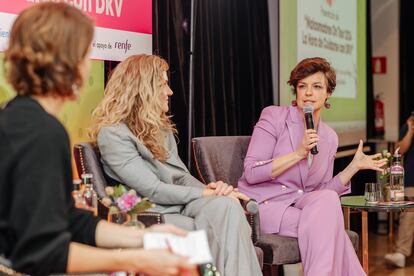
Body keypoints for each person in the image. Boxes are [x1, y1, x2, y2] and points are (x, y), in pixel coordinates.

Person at [0, 3, 194, 276]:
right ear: (67, 62)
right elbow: (42, 254)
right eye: (85, 54)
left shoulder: (20, 117)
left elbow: (68, 218)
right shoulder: (40, 132)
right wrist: (137, 260)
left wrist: (145, 238)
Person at [90, 54, 263, 276]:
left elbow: (179, 176)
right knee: (225, 220)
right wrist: (205, 196)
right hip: (153, 210)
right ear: (142, 88)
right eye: (163, 85)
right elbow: (152, 189)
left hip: (180, 204)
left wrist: (211, 189)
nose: (170, 92)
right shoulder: (113, 134)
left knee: (227, 206)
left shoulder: (160, 128)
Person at [237, 57, 387, 276]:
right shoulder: (274, 117)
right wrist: (298, 154)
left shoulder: (329, 137)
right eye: (302, 86)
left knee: (327, 201)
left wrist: (353, 167)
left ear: (328, 94)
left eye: (317, 87)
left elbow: (320, 193)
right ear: (295, 91)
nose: (308, 93)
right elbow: (251, 173)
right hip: (264, 206)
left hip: (302, 205)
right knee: (329, 227)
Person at [385, 114, 414, 267]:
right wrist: (410, 130)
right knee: (409, 211)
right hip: (412, 181)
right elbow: (399, 151)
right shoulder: (410, 123)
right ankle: (401, 253)